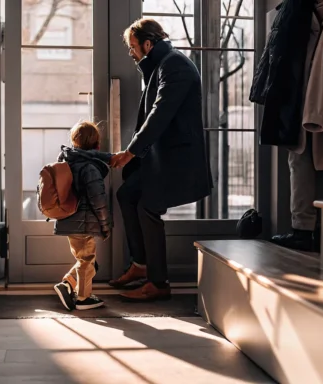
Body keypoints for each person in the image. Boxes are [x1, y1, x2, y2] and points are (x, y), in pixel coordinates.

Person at [109, 19, 212, 302]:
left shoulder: (173, 65)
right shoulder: (162, 64)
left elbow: (161, 112)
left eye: (133, 47)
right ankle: (141, 265)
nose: (131, 54)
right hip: (161, 156)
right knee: (127, 194)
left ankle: (158, 282)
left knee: (147, 207)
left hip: (175, 158)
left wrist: (131, 151)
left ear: (147, 44)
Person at [53, 122, 113, 311]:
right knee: (87, 260)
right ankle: (83, 298)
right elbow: (98, 200)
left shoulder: (66, 162)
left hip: (68, 219)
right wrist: (105, 224)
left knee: (85, 259)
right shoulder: (90, 168)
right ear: (97, 144)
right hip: (85, 222)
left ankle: (67, 285)